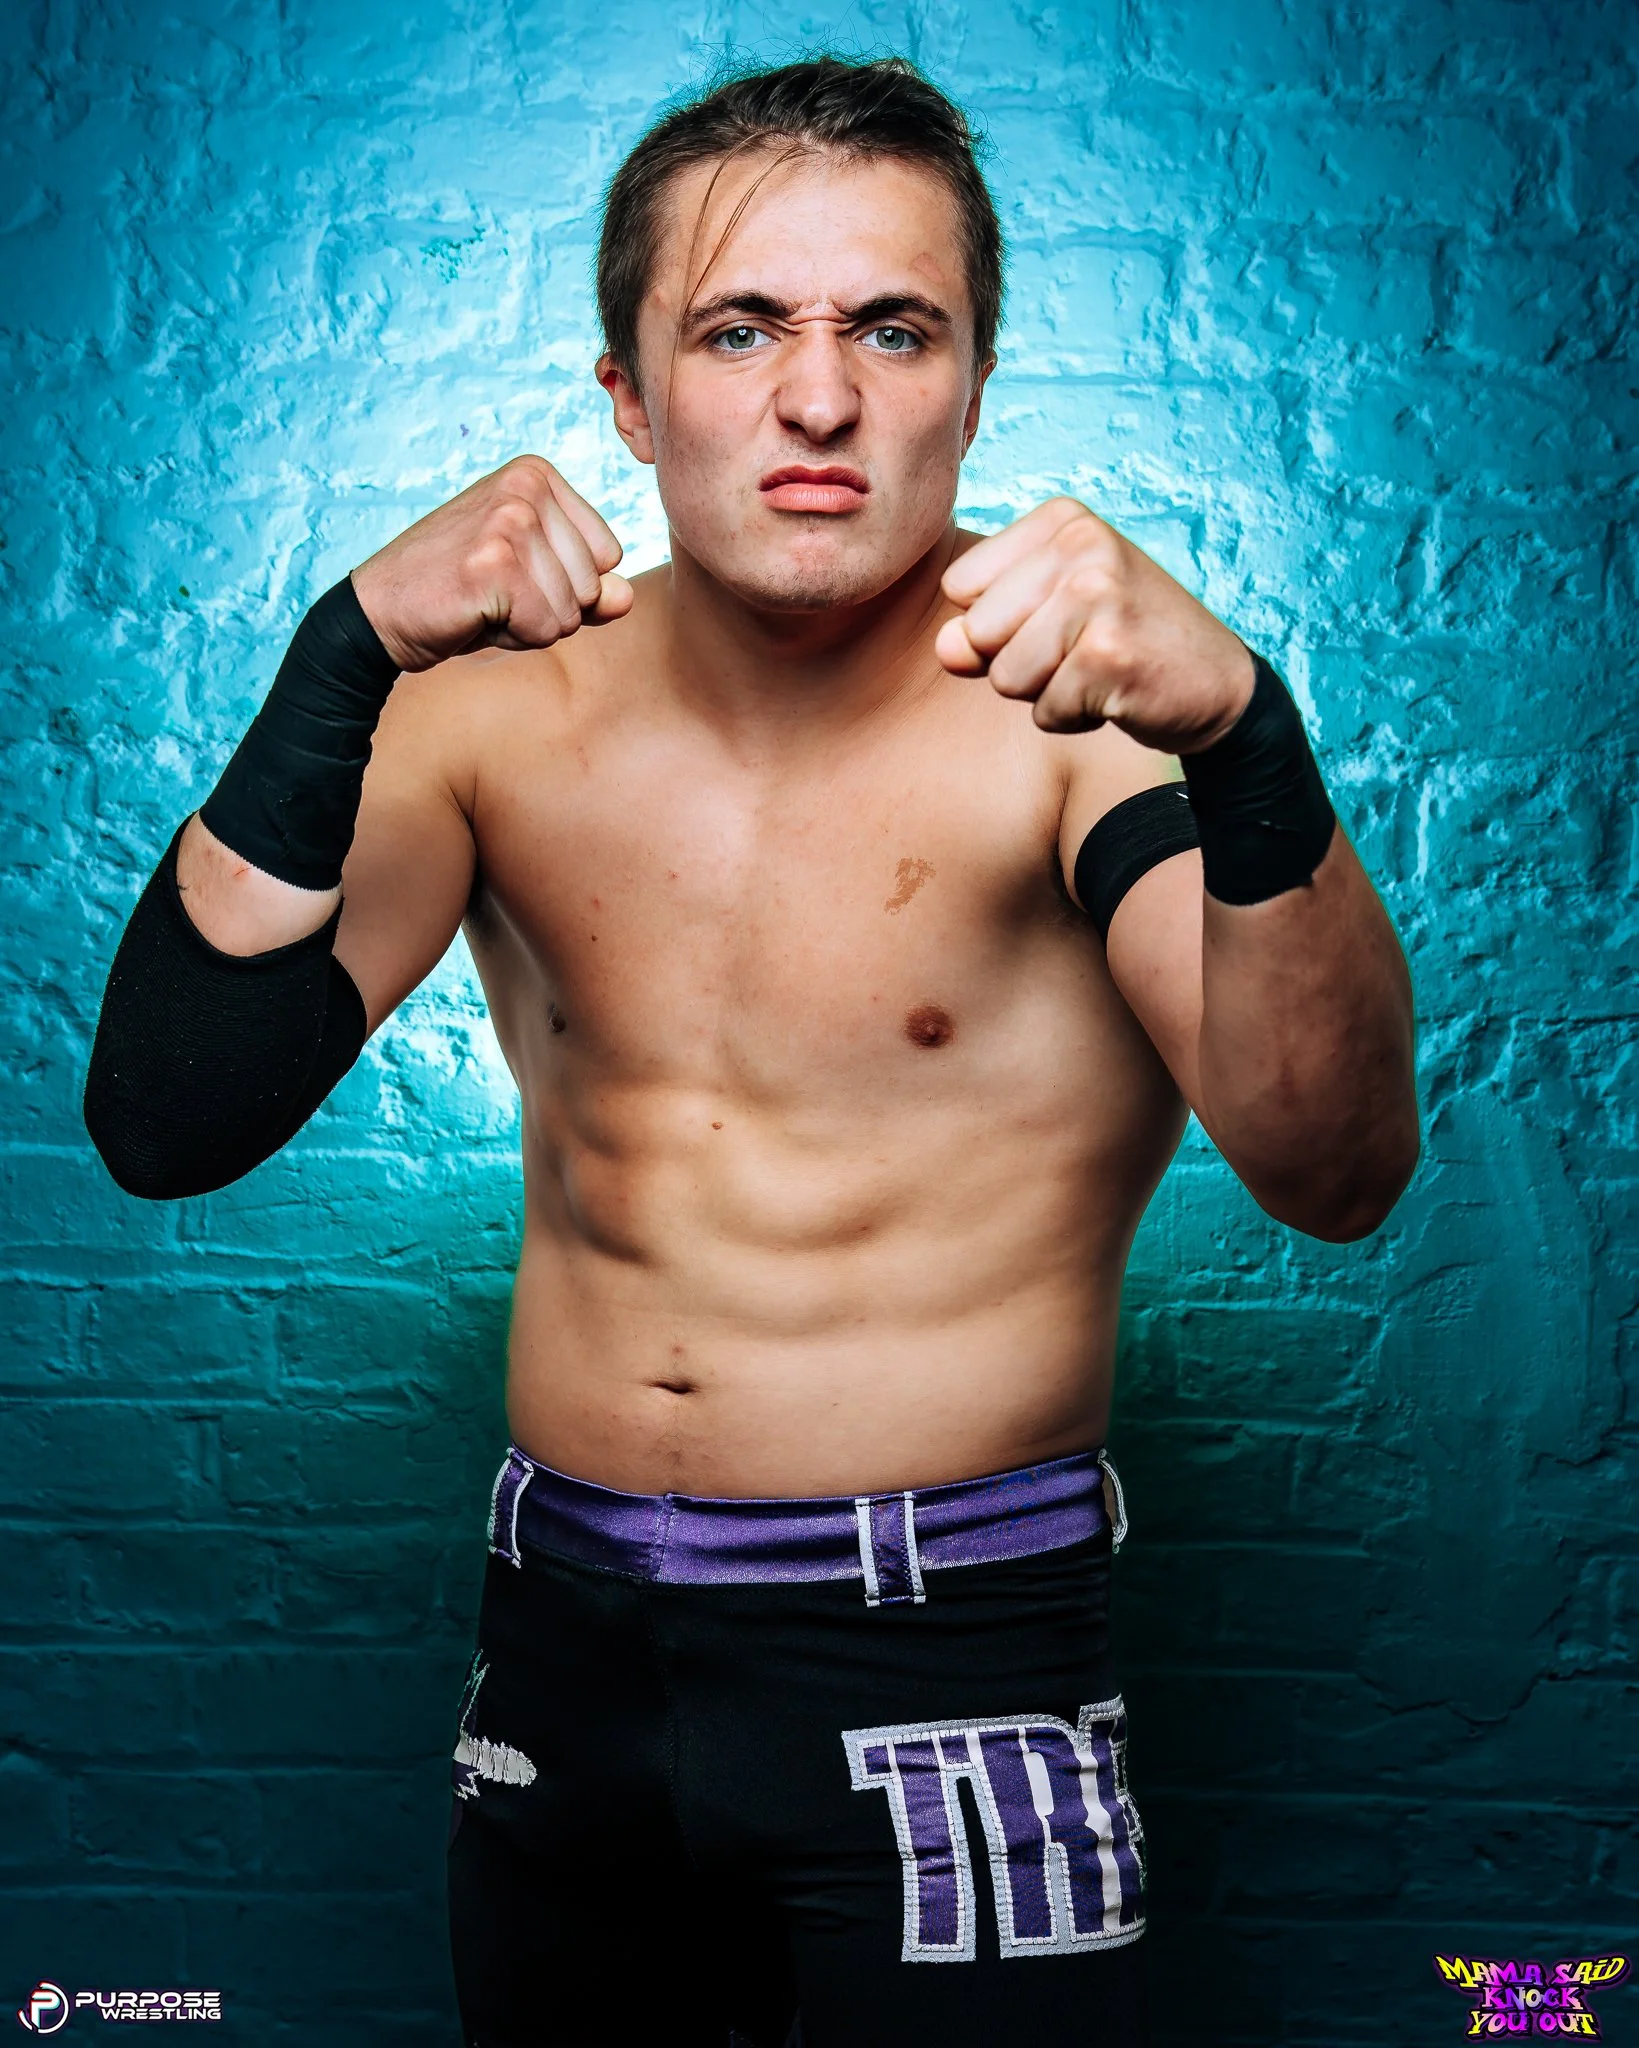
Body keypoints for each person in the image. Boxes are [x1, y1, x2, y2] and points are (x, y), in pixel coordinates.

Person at [82, 54, 1419, 2048]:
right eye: (739, 328)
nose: (818, 399)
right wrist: (343, 644)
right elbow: (168, 1117)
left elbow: (1334, 1165)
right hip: (561, 1664)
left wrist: (1247, 737)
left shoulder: (1087, 740)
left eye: (895, 328)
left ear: (975, 382)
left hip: (948, 1661)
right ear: (626, 392)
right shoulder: (491, 720)